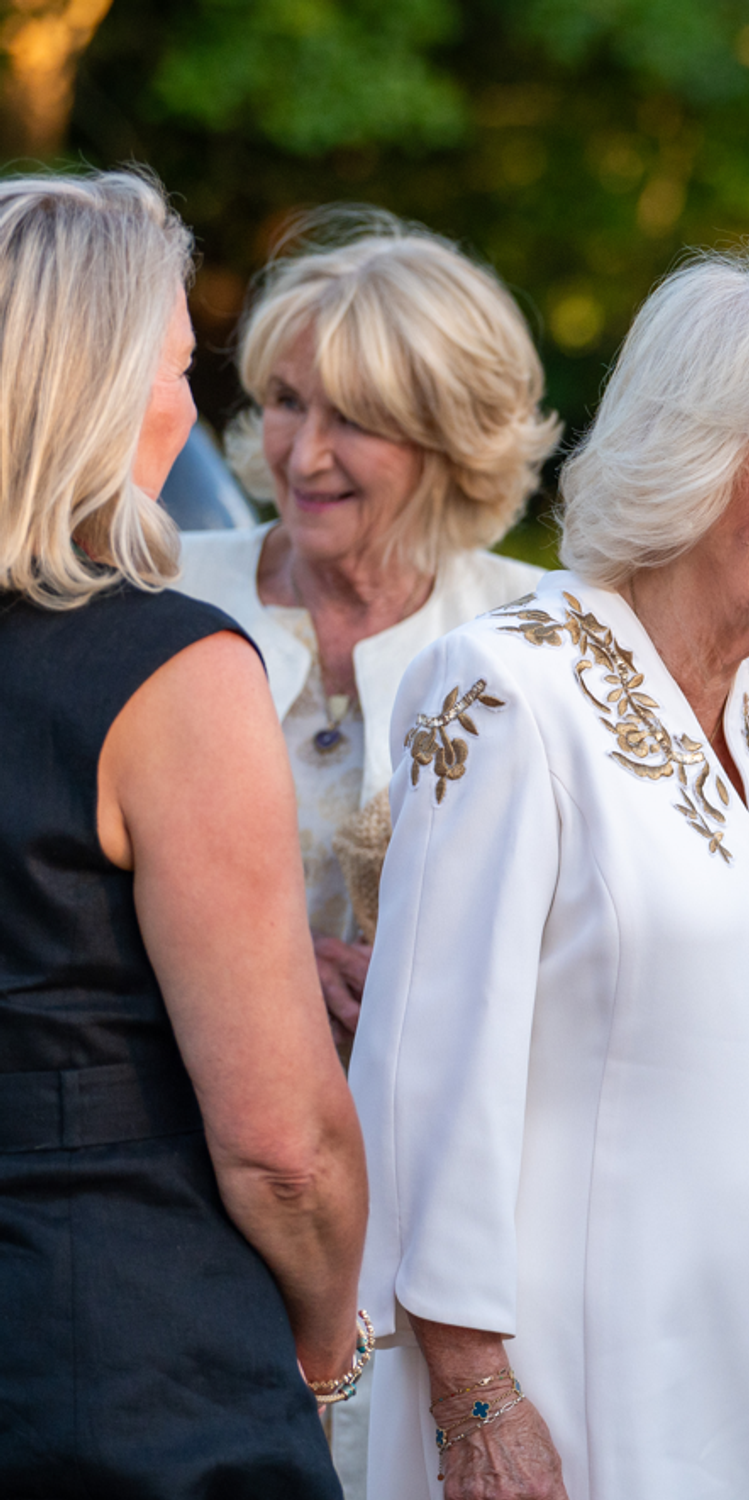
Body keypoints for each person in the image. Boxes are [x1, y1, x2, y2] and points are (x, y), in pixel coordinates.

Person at [347, 242, 749, 1499]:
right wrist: (475, 1394)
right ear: (693, 453)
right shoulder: (508, 686)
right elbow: (424, 1075)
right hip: (564, 1368)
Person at [0, 171, 368, 1495]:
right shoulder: (167, 674)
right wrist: (326, 1351)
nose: (187, 406)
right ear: (88, 391)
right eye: (171, 364)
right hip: (118, 1355)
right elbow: (283, 1143)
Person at [177, 212, 560, 1054]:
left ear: (451, 436)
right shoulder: (163, 589)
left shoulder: (543, 637)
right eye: (286, 402)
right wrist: (255, 970)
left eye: (354, 418)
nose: (305, 456)